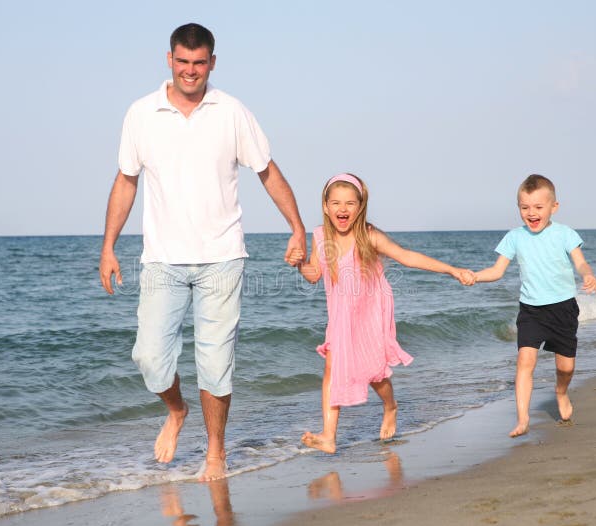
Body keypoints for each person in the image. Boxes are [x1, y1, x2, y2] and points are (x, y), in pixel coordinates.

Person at [99, 23, 306, 481]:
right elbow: (125, 181)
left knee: (215, 362)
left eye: (199, 62)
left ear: (212, 62)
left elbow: (267, 172)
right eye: (182, 61)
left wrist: (297, 228)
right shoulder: (141, 114)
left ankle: (216, 451)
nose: (190, 71)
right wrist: (108, 246)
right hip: (161, 259)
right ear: (169, 60)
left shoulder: (232, 112)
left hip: (222, 256)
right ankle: (176, 412)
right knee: (150, 358)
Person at [292, 173, 474, 453]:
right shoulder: (319, 237)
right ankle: (329, 436)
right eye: (336, 203)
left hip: (370, 313)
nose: (343, 209)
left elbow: (407, 257)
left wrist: (451, 270)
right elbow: (314, 275)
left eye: (350, 203)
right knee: (331, 367)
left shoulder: (368, 235)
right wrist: (298, 263)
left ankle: (391, 406)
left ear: (360, 206)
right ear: (326, 206)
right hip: (340, 316)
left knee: (374, 373)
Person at [473, 174, 596, 437]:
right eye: (524, 207)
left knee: (566, 368)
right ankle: (522, 419)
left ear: (554, 207)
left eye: (538, 207)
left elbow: (580, 262)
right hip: (530, 310)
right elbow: (497, 271)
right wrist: (474, 276)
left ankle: (561, 392)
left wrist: (587, 274)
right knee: (524, 361)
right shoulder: (514, 237)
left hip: (563, 308)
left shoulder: (565, 234)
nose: (531, 213)